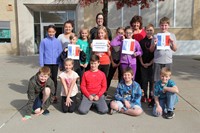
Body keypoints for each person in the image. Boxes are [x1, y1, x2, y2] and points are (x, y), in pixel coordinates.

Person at [150, 16, 177, 83]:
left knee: (167, 80)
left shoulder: (172, 35)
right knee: (156, 80)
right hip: (158, 61)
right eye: (162, 25)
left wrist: (172, 43)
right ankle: (156, 93)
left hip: (168, 61)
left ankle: (166, 92)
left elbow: (175, 49)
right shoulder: (156, 36)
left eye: (165, 25)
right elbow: (151, 50)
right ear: (160, 26)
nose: (164, 27)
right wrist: (154, 44)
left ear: (168, 26)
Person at [39, 25, 62, 103]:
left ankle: (53, 95)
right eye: (49, 31)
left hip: (55, 63)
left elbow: (60, 53)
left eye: (52, 31)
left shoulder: (57, 41)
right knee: (46, 79)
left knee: (54, 80)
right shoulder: (44, 41)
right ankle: (45, 95)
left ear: (55, 32)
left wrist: (61, 64)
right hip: (46, 63)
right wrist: (42, 65)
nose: (51, 33)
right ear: (47, 32)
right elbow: (41, 53)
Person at [139, 24, 154, 104]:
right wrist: (142, 63)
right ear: (145, 30)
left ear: (153, 31)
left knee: (151, 81)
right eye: (147, 30)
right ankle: (144, 96)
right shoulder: (142, 41)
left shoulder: (155, 41)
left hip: (152, 64)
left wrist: (150, 63)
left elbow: (156, 54)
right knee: (144, 81)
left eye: (151, 30)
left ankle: (151, 96)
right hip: (143, 64)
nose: (149, 32)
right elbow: (140, 53)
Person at [130, 15, 146, 88]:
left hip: (141, 56)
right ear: (132, 23)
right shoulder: (130, 32)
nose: (136, 24)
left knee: (141, 74)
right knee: (133, 74)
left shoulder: (143, 32)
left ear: (140, 24)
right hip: (132, 57)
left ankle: (140, 90)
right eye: (134, 23)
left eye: (138, 23)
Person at [107, 27, 124, 91]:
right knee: (109, 76)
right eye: (119, 32)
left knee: (120, 77)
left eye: (121, 33)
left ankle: (120, 91)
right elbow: (110, 52)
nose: (120, 34)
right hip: (113, 60)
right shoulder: (113, 41)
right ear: (116, 33)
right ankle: (106, 90)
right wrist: (112, 62)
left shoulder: (124, 42)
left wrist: (119, 62)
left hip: (121, 61)